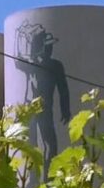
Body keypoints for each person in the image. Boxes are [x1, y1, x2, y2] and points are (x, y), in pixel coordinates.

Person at [15, 24, 70, 169]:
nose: (50, 49)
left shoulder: (55, 65)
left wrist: (65, 109)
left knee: (50, 144)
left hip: (45, 108)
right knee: (30, 144)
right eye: (47, 46)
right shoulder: (31, 63)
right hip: (30, 109)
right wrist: (17, 36)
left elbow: (63, 89)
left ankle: (48, 179)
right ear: (40, 47)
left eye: (50, 46)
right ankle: (31, 178)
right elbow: (16, 60)